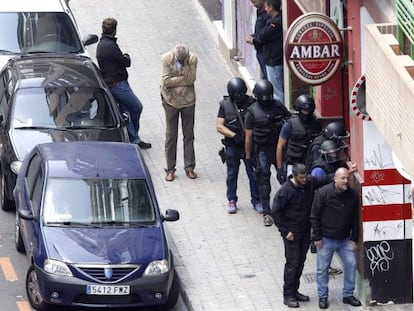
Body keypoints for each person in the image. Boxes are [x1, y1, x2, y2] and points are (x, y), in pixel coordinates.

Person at [271, 163, 332, 308]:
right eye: (301, 177)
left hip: (305, 231)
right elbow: (276, 212)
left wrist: (343, 174)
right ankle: (288, 295)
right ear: (294, 176)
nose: (304, 180)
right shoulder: (285, 191)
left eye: (305, 176)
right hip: (292, 234)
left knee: (300, 262)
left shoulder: (309, 183)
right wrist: (285, 232)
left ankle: (295, 290)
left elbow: (324, 179)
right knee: (292, 264)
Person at [96, 18, 151, 149]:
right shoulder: (110, 46)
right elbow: (126, 62)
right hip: (118, 84)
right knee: (137, 107)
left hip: (112, 82)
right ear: (114, 30)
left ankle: (134, 138)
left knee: (126, 109)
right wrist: (127, 56)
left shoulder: (102, 44)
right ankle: (134, 136)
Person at [310, 167, 361, 309]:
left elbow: (355, 218)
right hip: (326, 239)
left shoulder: (352, 194)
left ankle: (348, 295)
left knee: (351, 264)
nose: (346, 181)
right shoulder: (323, 193)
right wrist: (317, 237)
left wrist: (354, 238)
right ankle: (323, 296)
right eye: (343, 178)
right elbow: (315, 216)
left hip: (345, 239)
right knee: (322, 269)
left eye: (347, 178)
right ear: (335, 179)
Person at [245, 79, 291, 226]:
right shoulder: (252, 112)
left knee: (283, 178)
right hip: (262, 150)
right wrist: (248, 156)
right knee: (264, 181)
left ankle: (286, 209)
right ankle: (267, 211)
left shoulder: (277, 106)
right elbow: (249, 137)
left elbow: (289, 120)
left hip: (278, 148)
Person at [216, 77, 262, 214]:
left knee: (253, 174)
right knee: (232, 174)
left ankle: (257, 200)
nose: (240, 98)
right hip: (233, 145)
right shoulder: (225, 105)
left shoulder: (252, 103)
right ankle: (231, 200)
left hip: (249, 145)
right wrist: (233, 135)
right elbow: (219, 126)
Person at [161, 44, 198, 181]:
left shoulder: (192, 59)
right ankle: (170, 169)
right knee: (171, 136)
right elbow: (166, 82)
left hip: (188, 101)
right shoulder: (166, 59)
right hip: (170, 101)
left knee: (189, 135)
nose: (183, 63)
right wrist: (183, 78)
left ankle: (189, 167)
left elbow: (191, 79)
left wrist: (176, 80)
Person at [276, 94, 321, 185]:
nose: (307, 113)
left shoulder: (316, 124)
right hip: (293, 164)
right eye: (304, 110)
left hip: (309, 164)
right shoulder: (290, 124)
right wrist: (280, 168)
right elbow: (280, 146)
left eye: (309, 110)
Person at [256, 0, 284, 103]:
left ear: (271, 7)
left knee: (276, 91)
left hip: (274, 60)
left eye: (267, 7)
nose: (265, 9)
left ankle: (280, 112)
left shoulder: (275, 22)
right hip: (273, 59)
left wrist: (255, 37)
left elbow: (262, 36)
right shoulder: (275, 20)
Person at [246, 0, 269, 79]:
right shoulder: (259, 11)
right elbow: (261, 31)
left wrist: (254, 40)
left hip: (266, 52)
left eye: (255, 2)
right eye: (252, 3)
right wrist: (253, 36)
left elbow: (266, 34)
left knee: (268, 77)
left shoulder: (268, 14)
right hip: (260, 51)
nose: (254, 5)